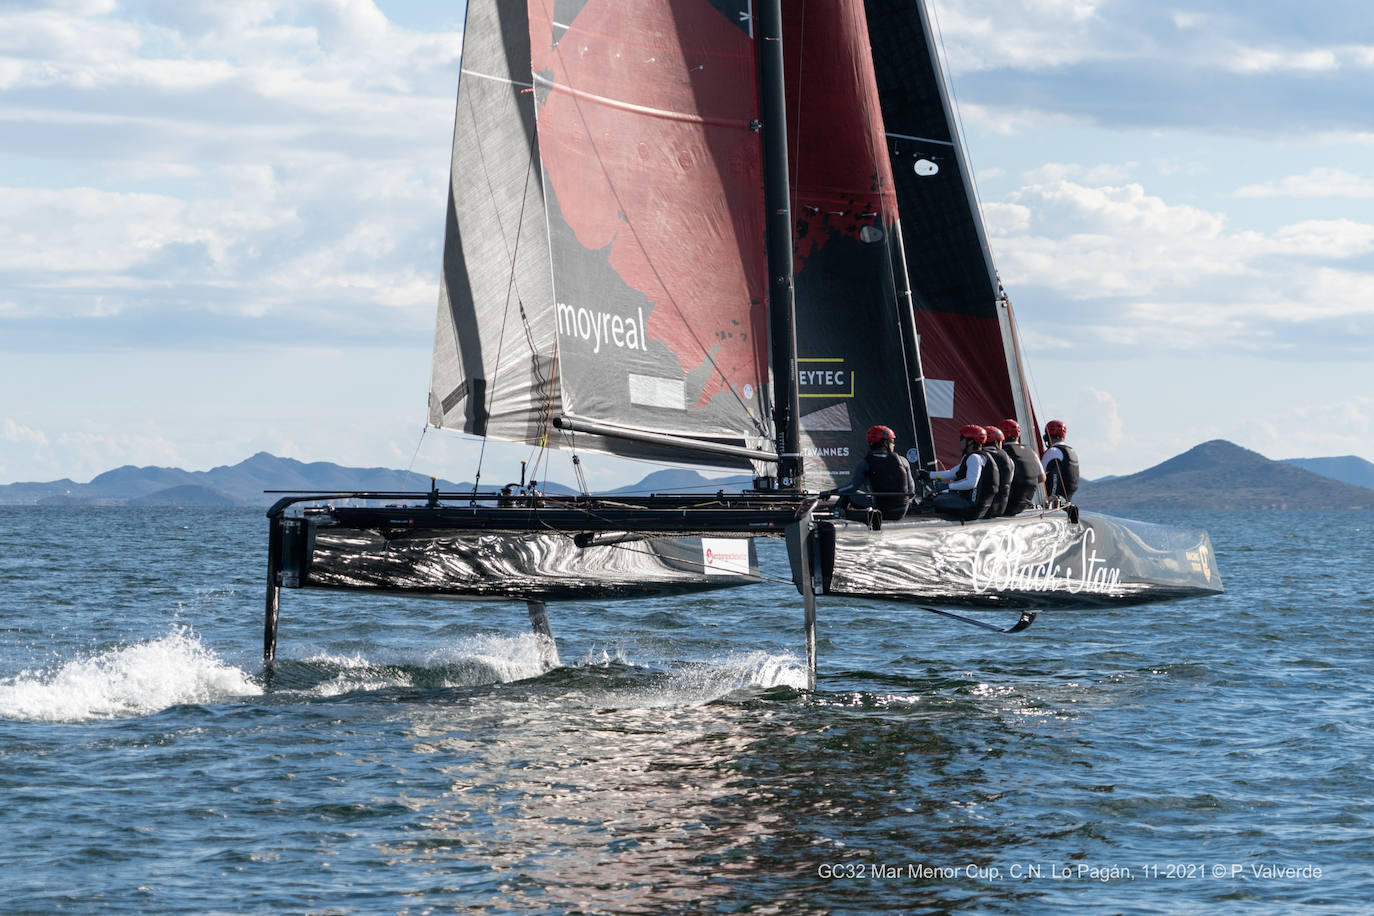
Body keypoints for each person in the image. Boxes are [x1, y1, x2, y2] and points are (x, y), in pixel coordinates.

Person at [839, 425, 915, 521]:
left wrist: (829, 492)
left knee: (848, 494)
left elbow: (852, 488)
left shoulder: (864, 463)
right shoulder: (903, 461)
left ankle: (837, 517)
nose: (894, 444)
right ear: (886, 443)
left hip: (880, 511)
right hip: (901, 512)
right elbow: (911, 492)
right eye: (892, 441)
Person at [926, 425, 997, 521]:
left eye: (961, 438)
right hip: (977, 505)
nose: (960, 442)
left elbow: (971, 483)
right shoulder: (976, 456)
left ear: (970, 442)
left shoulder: (974, 458)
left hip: (973, 508)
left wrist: (948, 486)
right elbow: (952, 473)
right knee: (939, 498)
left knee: (935, 501)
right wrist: (929, 475)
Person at [998, 418, 1045, 515]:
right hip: (1026, 504)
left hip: (1008, 505)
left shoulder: (1002, 453)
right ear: (1018, 434)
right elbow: (1042, 477)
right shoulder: (1030, 451)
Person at [1041, 419, 1080, 504]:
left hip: (1053, 501)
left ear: (1047, 437)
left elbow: (1040, 476)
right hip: (1066, 500)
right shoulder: (1072, 451)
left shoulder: (1052, 451)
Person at [982, 425, 1014, 517]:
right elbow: (1009, 481)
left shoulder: (979, 457)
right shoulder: (1009, 459)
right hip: (1001, 508)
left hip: (983, 509)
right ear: (997, 442)